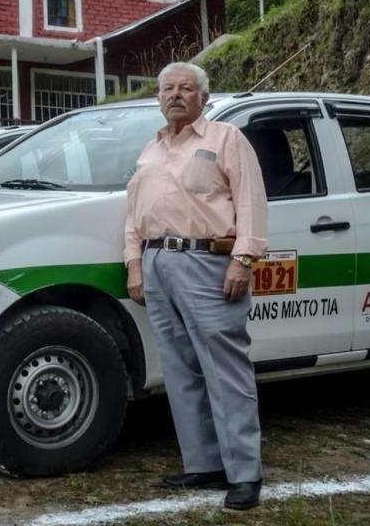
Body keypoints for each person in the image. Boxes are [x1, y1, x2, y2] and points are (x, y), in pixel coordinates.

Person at [123, 62, 269, 511]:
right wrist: (135, 263)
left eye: (186, 88)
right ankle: (203, 465)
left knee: (225, 369)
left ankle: (245, 474)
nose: (176, 95)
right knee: (180, 369)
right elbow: (134, 213)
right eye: (168, 88)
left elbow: (251, 202)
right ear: (159, 96)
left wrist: (243, 260)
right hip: (158, 261)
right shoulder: (150, 149)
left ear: (204, 97)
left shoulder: (226, 139)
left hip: (209, 261)